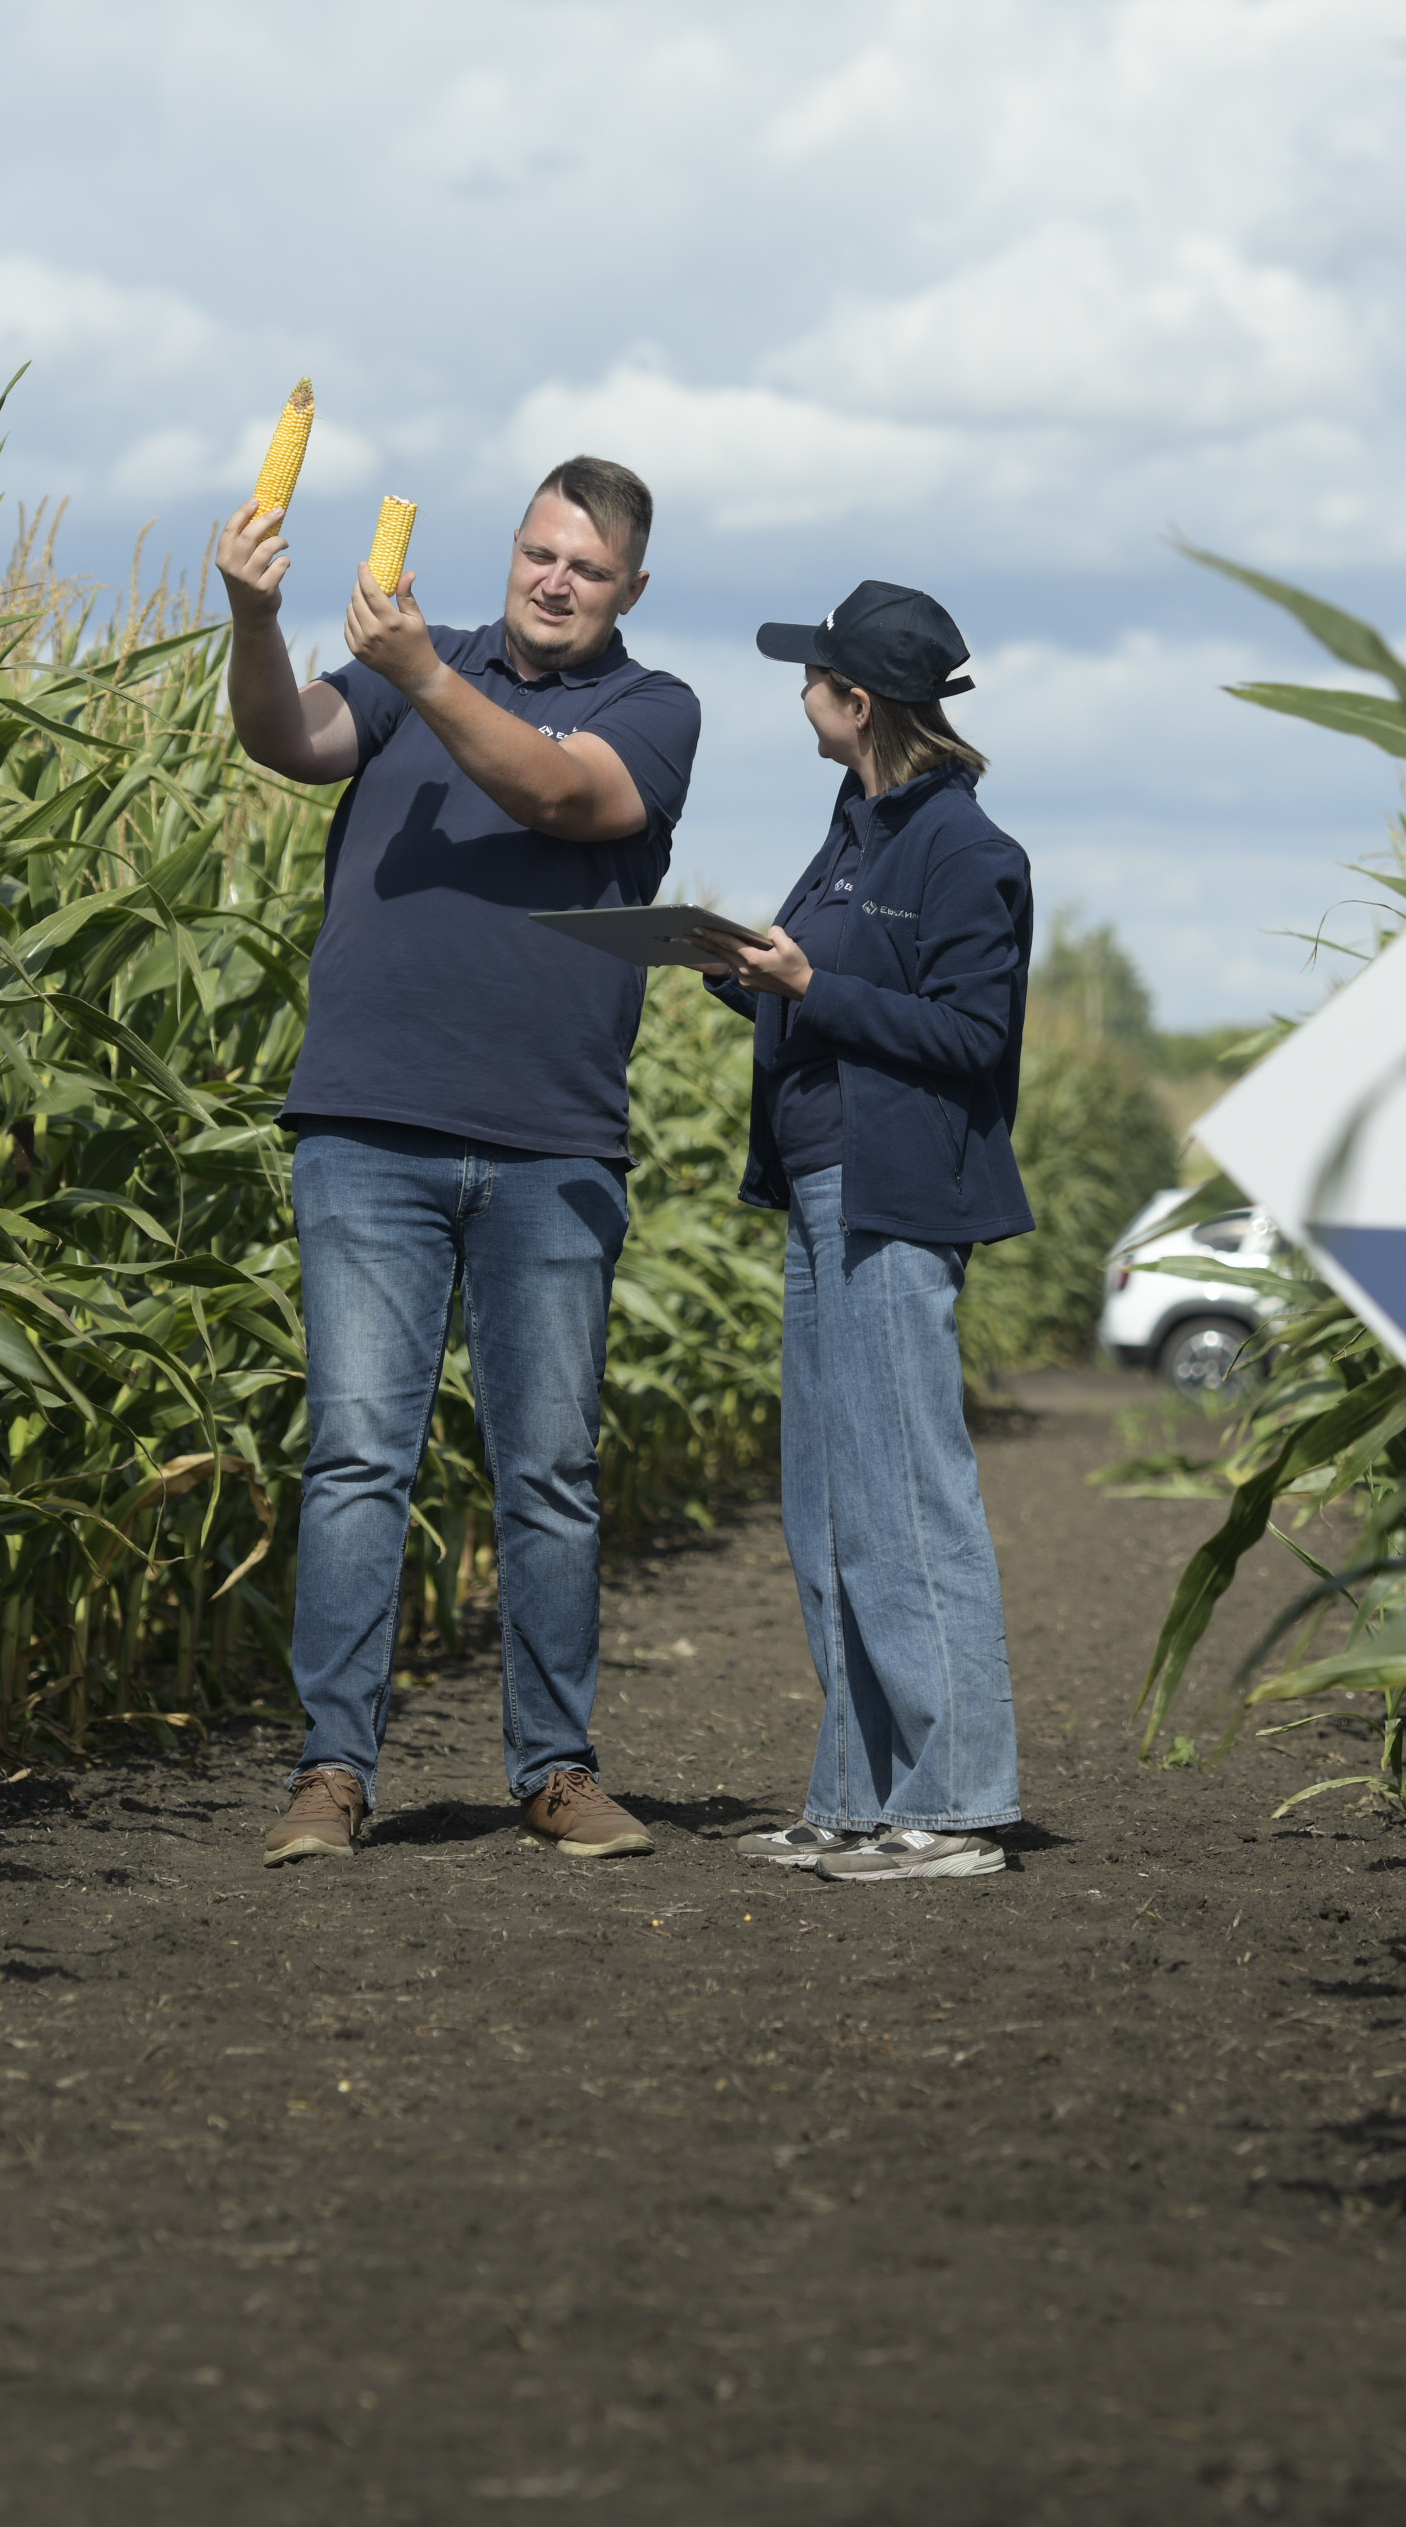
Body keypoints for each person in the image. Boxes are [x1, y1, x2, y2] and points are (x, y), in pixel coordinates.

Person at [212, 456, 699, 1867]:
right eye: (541, 553)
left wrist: (419, 668)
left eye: (588, 570)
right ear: (515, 549)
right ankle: (329, 1775)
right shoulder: (409, 664)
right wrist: (254, 619)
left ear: (630, 591)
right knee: (360, 1459)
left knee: (545, 1471)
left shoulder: (648, 709)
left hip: (552, 1145)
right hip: (367, 1127)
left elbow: (558, 796)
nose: (555, 581)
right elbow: (290, 744)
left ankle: (552, 1769)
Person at [700, 582, 1033, 1881]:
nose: (798, 695)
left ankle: (955, 1807)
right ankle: (855, 1793)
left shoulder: (962, 850)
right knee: (830, 1504)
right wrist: (757, 984)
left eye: (813, 678)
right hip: (820, 1183)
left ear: (859, 703)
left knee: (904, 1496)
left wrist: (811, 985)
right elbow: (833, 998)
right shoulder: (852, 828)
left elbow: (968, 1038)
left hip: (897, 1194)